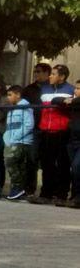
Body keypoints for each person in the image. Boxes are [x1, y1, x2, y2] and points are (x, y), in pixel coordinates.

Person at [28, 64, 74, 204]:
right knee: (47, 164)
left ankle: (61, 195)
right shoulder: (44, 88)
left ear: (62, 76)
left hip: (62, 131)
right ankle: (46, 193)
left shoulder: (71, 89)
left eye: (53, 74)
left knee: (62, 164)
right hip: (45, 131)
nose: (50, 76)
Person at [22, 62, 51, 196]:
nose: (36, 74)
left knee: (47, 160)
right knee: (31, 159)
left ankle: (47, 192)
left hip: (48, 129)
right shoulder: (29, 89)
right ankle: (29, 189)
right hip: (33, 127)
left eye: (39, 71)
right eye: (35, 71)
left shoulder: (51, 88)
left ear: (47, 73)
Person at [3, 85, 34, 200]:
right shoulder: (12, 108)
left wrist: (15, 137)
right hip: (11, 140)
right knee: (17, 165)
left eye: (10, 95)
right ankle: (18, 189)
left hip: (21, 141)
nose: (8, 98)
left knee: (11, 161)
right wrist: (6, 137)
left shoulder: (25, 107)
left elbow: (28, 124)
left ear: (18, 95)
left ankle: (18, 187)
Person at [63, 80, 80, 208]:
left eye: (79, 89)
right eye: (76, 88)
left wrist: (72, 101)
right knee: (73, 169)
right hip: (72, 140)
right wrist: (68, 101)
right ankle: (74, 196)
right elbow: (56, 100)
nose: (76, 91)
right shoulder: (74, 101)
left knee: (76, 167)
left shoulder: (75, 102)